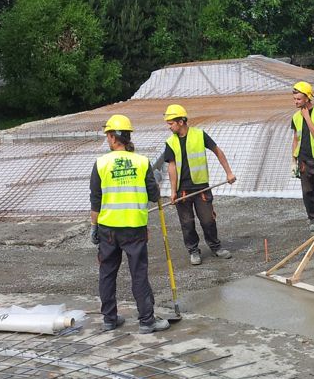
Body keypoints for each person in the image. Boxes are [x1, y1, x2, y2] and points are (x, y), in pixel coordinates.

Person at [90, 114, 170, 334]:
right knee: (138, 274)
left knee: (107, 273)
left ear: (115, 138)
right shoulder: (142, 162)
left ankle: (109, 319)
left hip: (108, 230)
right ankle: (146, 321)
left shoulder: (101, 164)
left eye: (108, 134)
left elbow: (95, 200)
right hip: (134, 228)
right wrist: (155, 183)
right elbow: (154, 195)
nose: (107, 138)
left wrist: (94, 227)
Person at [159, 104, 237, 265]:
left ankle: (216, 247)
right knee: (187, 223)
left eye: (171, 123)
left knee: (208, 220)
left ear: (181, 121)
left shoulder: (199, 135)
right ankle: (193, 251)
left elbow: (217, 151)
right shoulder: (170, 142)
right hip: (182, 190)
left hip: (201, 187)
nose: (169, 126)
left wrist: (228, 172)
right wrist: (173, 191)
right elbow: (171, 166)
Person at [290, 80, 314, 231]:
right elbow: (295, 138)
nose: (296, 102)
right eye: (294, 99)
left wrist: (307, 116)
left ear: (307, 97)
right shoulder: (295, 117)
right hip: (303, 160)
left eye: (298, 99)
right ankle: (312, 218)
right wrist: (293, 160)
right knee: (307, 192)